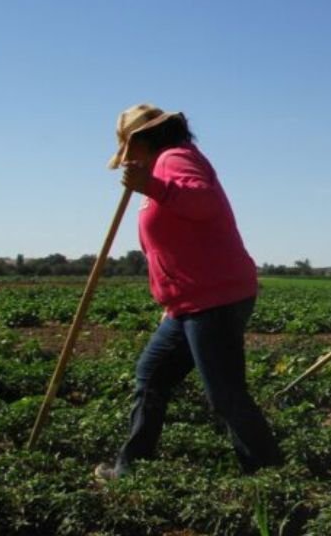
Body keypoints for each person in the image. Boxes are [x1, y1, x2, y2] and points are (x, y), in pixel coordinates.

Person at [95, 104, 283, 480]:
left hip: (214, 298)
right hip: (189, 303)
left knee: (225, 394)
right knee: (151, 376)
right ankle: (131, 468)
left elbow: (203, 202)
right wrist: (173, 299)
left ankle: (269, 476)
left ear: (146, 141)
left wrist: (150, 186)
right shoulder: (166, 165)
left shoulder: (175, 159)